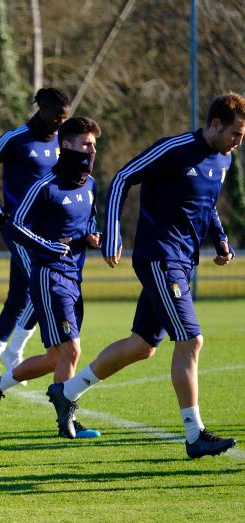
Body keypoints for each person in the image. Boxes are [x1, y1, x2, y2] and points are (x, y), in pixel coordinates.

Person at [48, 94, 242, 458]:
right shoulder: (174, 148)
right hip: (160, 256)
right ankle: (194, 434)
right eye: (235, 133)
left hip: (183, 260)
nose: (238, 141)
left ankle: (67, 391)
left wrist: (219, 239)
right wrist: (114, 232)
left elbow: (206, 203)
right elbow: (122, 177)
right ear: (215, 124)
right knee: (191, 341)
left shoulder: (224, 158)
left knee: (142, 346)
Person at [0, 117, 102, 439]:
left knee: (55, 357)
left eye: (94, 145)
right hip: (49, 277)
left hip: (75, 276)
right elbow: (15, 226)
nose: (92, 151)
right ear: (67, 146)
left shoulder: (90, 184)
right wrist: (46, 245)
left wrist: (93, 236)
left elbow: (89, 222)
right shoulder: (45, 187)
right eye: (86, 144)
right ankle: (68, 423)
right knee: (71, 352)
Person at [0, 88, 70, 423]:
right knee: (38, 284)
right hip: (19, 228)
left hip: (49, 231)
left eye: (65, 117)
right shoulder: (16, 138)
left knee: (18, 298)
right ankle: (15, 354)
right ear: (41, 109)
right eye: (57, 115)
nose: (60, 122)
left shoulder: (62, 140)